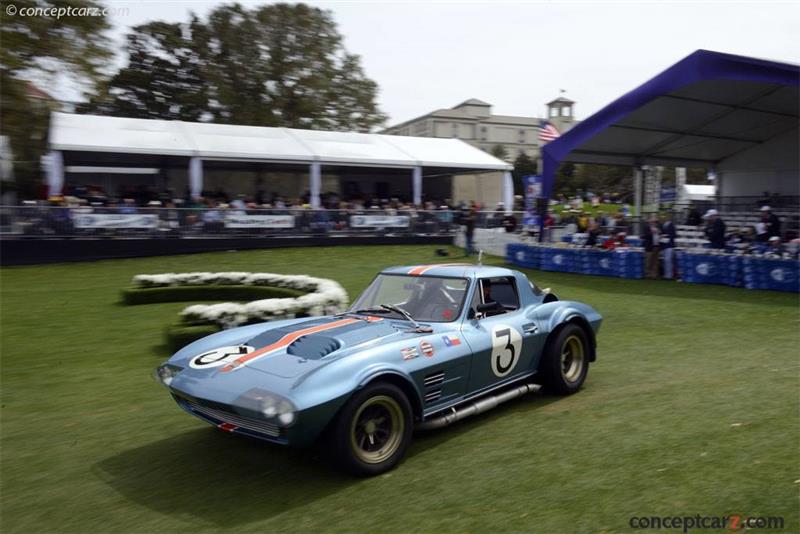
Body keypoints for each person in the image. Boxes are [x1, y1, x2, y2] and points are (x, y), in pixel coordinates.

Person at [660, 213, 677, 279]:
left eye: (665, 216)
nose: (663, 218)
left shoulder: (671, 225)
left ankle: (669, 275)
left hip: (669, 245)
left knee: (668, 260)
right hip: (664, 245)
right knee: (665, 260)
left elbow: (674, 235)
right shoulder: (663, 225)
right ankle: (666, 274)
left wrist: (665, 235)